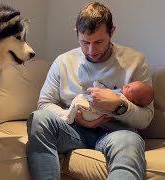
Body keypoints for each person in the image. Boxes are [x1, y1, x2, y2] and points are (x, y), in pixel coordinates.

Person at [26, 2, 154, 180]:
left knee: (130, 142)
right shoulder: (63, 61)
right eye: (85, 42)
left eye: (99, 42)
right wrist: (71, 117)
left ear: (112, 32)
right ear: (76, 33)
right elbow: (44, 104)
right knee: (38, 119)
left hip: (116, 133)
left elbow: (145, 118)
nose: (92, 50)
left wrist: (118, 105)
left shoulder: (135, 62)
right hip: (73, 130)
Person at [60, 81, 154, 123]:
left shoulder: (121, 98)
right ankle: (69, 114)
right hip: (90, 115)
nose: (126, 86)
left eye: (130, 89)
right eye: (128, 84)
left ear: (135, 101)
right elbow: (105, 93)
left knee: (79, 99)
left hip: (93, 115)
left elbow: (145, 120)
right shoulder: (120, 94)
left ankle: (69, 117)